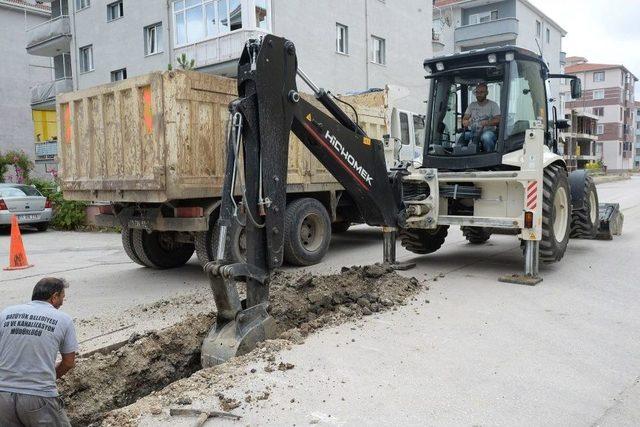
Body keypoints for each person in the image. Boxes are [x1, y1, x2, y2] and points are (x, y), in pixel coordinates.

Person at [0, 278, 78, 427]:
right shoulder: (64, 319)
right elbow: (69, 362)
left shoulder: (6, 313)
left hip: (3, 397)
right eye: (62, 296)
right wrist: (48, 377)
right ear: (54, 297)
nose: (63, 301)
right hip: (39, 396)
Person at [458, 82, 501, 152]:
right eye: (477, 92)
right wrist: (466, 122)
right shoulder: (472, 105)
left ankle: (489, 156)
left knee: (486, 137)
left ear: (486, 93)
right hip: (473, 132)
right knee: (459, 137)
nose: (479, 94)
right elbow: (465, 119)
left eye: (481, 92)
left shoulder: (493, 105)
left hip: (488, 131)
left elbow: (498, 120)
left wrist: (487, 122)